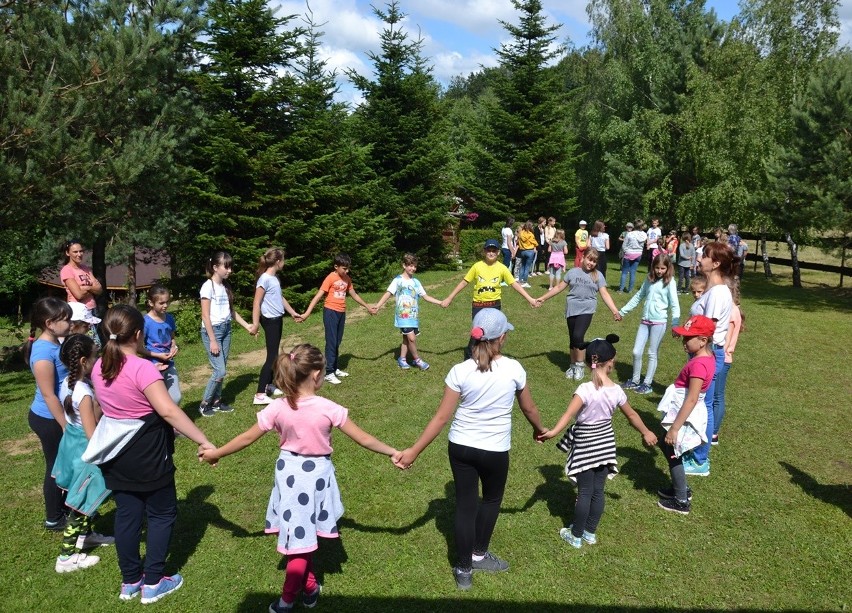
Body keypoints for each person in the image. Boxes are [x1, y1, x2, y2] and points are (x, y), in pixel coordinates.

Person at [199, 344, 400, 612]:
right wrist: (393, 452)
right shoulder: (329, 408)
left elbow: (246, 438)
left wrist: (217, 454)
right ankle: (288, 599)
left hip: (289, 476)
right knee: (300, 544)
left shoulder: (278, 407)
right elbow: (363, 438)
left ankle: (309, 587)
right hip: (313, 479)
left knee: (298, 536)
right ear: (316, 374)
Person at [395, 309, 545, 591]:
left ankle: (464, 569)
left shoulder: (459, 370)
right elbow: (529, 407)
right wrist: (539, 429)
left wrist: (414, 450)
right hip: (495, 450)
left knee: (466, 505)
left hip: (461, 447)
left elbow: (441, 418)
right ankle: (478, 554)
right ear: (501, 338)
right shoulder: (514, 369)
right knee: (490, 500)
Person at [85, 305, 216, 603]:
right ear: (139, 334)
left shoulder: (99, 365)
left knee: (128, 514)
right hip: (147, 450)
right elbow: (168, 410)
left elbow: (102, 406)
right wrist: (203, 440)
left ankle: (130, 580)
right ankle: (154, 582)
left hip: (116, 453)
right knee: (161, 513)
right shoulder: (142, 367)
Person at [537, 335, 657, 547]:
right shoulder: (617, 391)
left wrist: (553, 432)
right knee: (598, 490)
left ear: (589, 362)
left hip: (585, 444)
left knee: (584, 491)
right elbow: (632, 415)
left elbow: (568, 415)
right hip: (605, 444)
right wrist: (646, 431)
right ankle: (590, 532)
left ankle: (575, 535)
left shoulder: (585, 390)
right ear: (611, 362)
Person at [53, 333, 113, 573]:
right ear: (83, 362)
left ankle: (86, 536)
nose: (98, 361)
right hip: (84, 452)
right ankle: (66, 557)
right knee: (81, 501)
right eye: (95, 357)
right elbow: (92, 433)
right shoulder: (84, 393)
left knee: (82, 497)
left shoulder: (66, 384)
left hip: (71, 444)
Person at [682, 241, 736, 477]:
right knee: (703, 403)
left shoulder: (718, 293)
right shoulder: (715, 291)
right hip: (703, 354)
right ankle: (695, 449)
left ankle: (701, 460)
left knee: (704, 405)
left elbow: (708, 330)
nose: (700, 258)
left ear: (715, 264)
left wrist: (693, 343)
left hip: (709, 355)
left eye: (705, 255)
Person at [656, 315, 717, 515]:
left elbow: (691, 398)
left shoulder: (698, 365)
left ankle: (681, 499)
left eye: (688, 338)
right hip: (683, 410)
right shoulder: (707, 357)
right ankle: (679, 487)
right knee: (665, 445)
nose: (684, 342)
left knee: (673, 450)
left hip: (683, 414)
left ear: (703, 340)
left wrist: (675, 428)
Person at [441, 239, 538, 360]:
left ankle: (488, 358)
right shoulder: (477, 266)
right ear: (484, 251)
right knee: (477, 333)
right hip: (479, 305)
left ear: (498, 253)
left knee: (493, 334)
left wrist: (530, 299)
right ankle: (470, 357)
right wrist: (449, 298)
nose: (491, 253)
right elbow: (464, 283)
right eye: (488, 250)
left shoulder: (502, 268)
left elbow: (514, 284)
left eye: (494, 251)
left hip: (494, 306)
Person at [536, 250, 622, 381]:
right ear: (583, 257)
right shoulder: (572, 272)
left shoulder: (598, 275)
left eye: (594, 261)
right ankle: (572, 365)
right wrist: (543, 298)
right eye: (589, 259)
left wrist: (615, 310)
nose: (591, 263)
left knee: (578, 336)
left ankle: (580, 366)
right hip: (572, 308)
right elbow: (559, 287)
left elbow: (604, 294)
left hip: (587, 309)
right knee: (572, 339)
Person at [25, 297, 73, 531]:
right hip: (49, 418)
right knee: (57, 467)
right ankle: (54, 518)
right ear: (50, 323)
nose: (70, 322)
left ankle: (63, 507)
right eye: (65, 319)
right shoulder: (43, 352)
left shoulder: (55, 343)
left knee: (63, 464)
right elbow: (48, 395)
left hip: (56, 416)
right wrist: (65, 425)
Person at [300, 253, 373, 385]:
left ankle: (334, 368)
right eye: (344, 268)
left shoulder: (347, 279)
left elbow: (353, 294)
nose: (346, 271)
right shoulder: (330, 278)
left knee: (337, 341)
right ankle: (328, 372)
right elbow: (318, 296)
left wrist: (367, 306)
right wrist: (307, 313)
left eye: (348, 268)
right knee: (331, 341)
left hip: (341, 312)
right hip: (330, 312)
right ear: (336, 266)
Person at [199, 251, 257, 417]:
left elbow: (231, 312)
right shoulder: (207, 287)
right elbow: (205, 315)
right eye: (226, 266)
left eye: (230, 266)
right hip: (213, 331)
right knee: (220, 371)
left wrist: (247, 326)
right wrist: (212, 340)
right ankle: (204, 404)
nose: (230, 270)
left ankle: (216, 402)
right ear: (216, 267)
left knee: (221, 368)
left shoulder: (225, 287)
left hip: (226, 329)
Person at [618, 253, 680, 394]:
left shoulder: (670, 282)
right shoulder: (649, 279)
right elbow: (639, 296)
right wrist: (622, 311)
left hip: (659, 323)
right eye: (657, 268)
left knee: (652, 353)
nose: (659, 271)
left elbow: (675, 305)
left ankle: (647, 383)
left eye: (662, 268)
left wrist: (675, 324)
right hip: (645, 321)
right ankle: (635, 380)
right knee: (636, 351)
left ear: (668, 268)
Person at [372, 253, 443, 370]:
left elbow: (426, 296)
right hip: (403, 315)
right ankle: (417, 360)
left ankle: (402, 359)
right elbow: (388, 293)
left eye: (414, 266)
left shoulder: (416, 282)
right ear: (404, 265)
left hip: (413, 316)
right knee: (411, 338)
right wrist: (378, 306)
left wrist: (440, 302)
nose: (413, 268)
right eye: (410, 265)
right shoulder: (397, 280)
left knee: (406, 338)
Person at [252, 248, 302, 405]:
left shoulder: (274, 279)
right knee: (272, 356)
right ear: (278, 261)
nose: (284, 263)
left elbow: (280, 298)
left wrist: (293, 312)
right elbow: (256, 302)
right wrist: (255, 324)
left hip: (277, 319)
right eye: (284, 260)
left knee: (275, 354)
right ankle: (260, 394)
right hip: (270, 320)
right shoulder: (264, 279)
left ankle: (270, 386)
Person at [713, 279, 744, 446]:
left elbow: (724, 342)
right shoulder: (732, 309)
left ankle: (714, 433)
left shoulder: (731, 312)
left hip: (722, 359)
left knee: (717, 397)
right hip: (722, 358)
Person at [141, 284, 181, 405]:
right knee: (157, 401)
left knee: (176, 397)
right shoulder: (145, 322)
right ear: (151, 303)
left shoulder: (169, 318)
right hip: (153, 366)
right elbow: (138, 348)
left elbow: (172, 338)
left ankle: (172, 421)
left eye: (167, 302)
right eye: (161, 303)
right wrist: (158, 356)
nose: (165, 306)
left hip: (169, 363)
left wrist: (174, 347)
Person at [60, 240, 103, 318]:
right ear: (67, 253)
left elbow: (99, 290)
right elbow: (78, 295)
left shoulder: (86, 268)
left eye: (81, 251)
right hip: (78, 311)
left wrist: (87, 287)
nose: (79, 254)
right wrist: (93, 289)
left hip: (92, 309)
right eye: (75, 252)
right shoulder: (67, 270)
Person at [618, 221, 647, 293]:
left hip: (629, 253)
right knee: (633, 272)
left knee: (624, 272)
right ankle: (630, 290)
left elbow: (624, 245)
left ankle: (621, 290)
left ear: (634, 226)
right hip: (638, 254)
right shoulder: (644, 234)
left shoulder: (630, 234)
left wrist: (626, 252)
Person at [516, 221, 537, 287]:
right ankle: (524, 282)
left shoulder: (521, 233)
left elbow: (518, 242)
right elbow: (535, 243)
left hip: (522, 251)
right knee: (527, 267)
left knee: (522, 266)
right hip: (530, 251)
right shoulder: (531, 234)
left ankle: (520, 281)